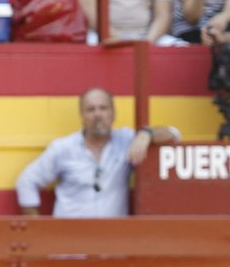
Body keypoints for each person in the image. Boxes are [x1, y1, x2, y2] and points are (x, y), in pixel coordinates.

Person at [16, 88, 180, 218]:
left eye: (103, 108)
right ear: (82, 116)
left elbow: (173, 133)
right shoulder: (63, 148)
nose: (98, 114)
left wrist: (147, 134)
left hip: (111, 248)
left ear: (113, 113)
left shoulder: (126, 140)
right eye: (90, 109)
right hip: (70, 248)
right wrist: (36, 228)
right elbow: (27, 181)